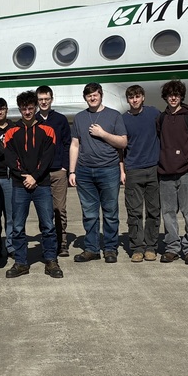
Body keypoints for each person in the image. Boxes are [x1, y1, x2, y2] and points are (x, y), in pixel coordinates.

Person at [3, 91, 63, 279]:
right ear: (19, 109)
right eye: (24, 109)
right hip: (20, 186)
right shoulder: (11, 132)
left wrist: (35, 177)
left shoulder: (48, 130)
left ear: (35, 108)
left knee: (47, 225)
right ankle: (21, 262)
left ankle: (51, 260)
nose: (27, 112)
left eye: (30, 108)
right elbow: (11, 159)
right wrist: (24, 176)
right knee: (18, 226)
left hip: (42, 184)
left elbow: (47, 158)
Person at [69, 83, 127, 263]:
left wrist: (103, 134)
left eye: (95, 95)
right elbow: (75, 145)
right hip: (85, 171)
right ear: (85, 98)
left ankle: (110, 248)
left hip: (108, 170)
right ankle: (92, 248)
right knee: (89, 213)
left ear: (101, 95)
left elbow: (123, 142)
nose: (92, 98)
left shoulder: (114, 115)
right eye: (89, 96)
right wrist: (72, 171)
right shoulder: (79, 117)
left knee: (110, 212)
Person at [155, 80, 188, 265]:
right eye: (169, 95)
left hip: (186, 172)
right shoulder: (161, 118)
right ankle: (172, 248)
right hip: (165, 172)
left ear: (181, 96)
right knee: (168, 212)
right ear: (165, 97)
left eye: (176, 94)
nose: (173, 98)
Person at [121, 85, 161, 262]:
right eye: (131, 97)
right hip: (133, 170)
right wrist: (122, 170)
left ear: (143, 97)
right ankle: (137, 247)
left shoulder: (154, 114)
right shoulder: (123, 119)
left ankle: (151, 246)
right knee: (134, 212)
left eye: (137, 96)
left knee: (153, 211)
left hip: (153, 169)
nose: (134, 100)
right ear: (127, 100)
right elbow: (120, 148)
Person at [35, 86, 73, 256]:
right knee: (44, 211)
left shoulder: (60, 120)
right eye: (41, 99)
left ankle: (62, 242)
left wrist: (65, 166)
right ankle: (48, 243)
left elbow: (67, 144)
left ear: (51, 99)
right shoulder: (33, 120)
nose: (44, 102)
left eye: (47, 99)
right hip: (40, 174)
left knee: (59, 209)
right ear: (37, 100)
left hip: (58, 171)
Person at [0, 97, 18, 260]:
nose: (0, 111)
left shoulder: (14, 128)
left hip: (10, 177)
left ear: (7, 110)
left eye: (2, 108)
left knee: (10, 214)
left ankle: (11, 245)